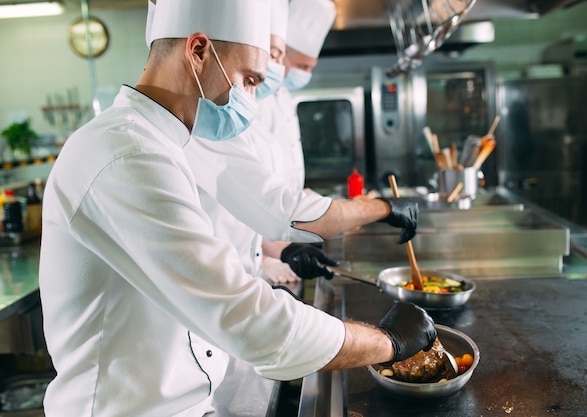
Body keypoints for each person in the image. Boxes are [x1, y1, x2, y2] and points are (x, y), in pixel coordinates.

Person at [38, 1, 437, 416]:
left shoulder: (162, 143)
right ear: (198, 51)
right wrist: (388, 341)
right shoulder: (126, 154)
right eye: (248, 80)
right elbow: (248, 319)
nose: (250, 98)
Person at [185, 0, 422, 284]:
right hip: (221, 278)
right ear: (199, 52)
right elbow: (276, 209)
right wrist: (382, 208)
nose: (266, 72)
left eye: (276, 56)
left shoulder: (263, 102)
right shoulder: (210, 117)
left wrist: (284, 250)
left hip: (245, 270)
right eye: (273, 55)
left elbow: (272, 199)